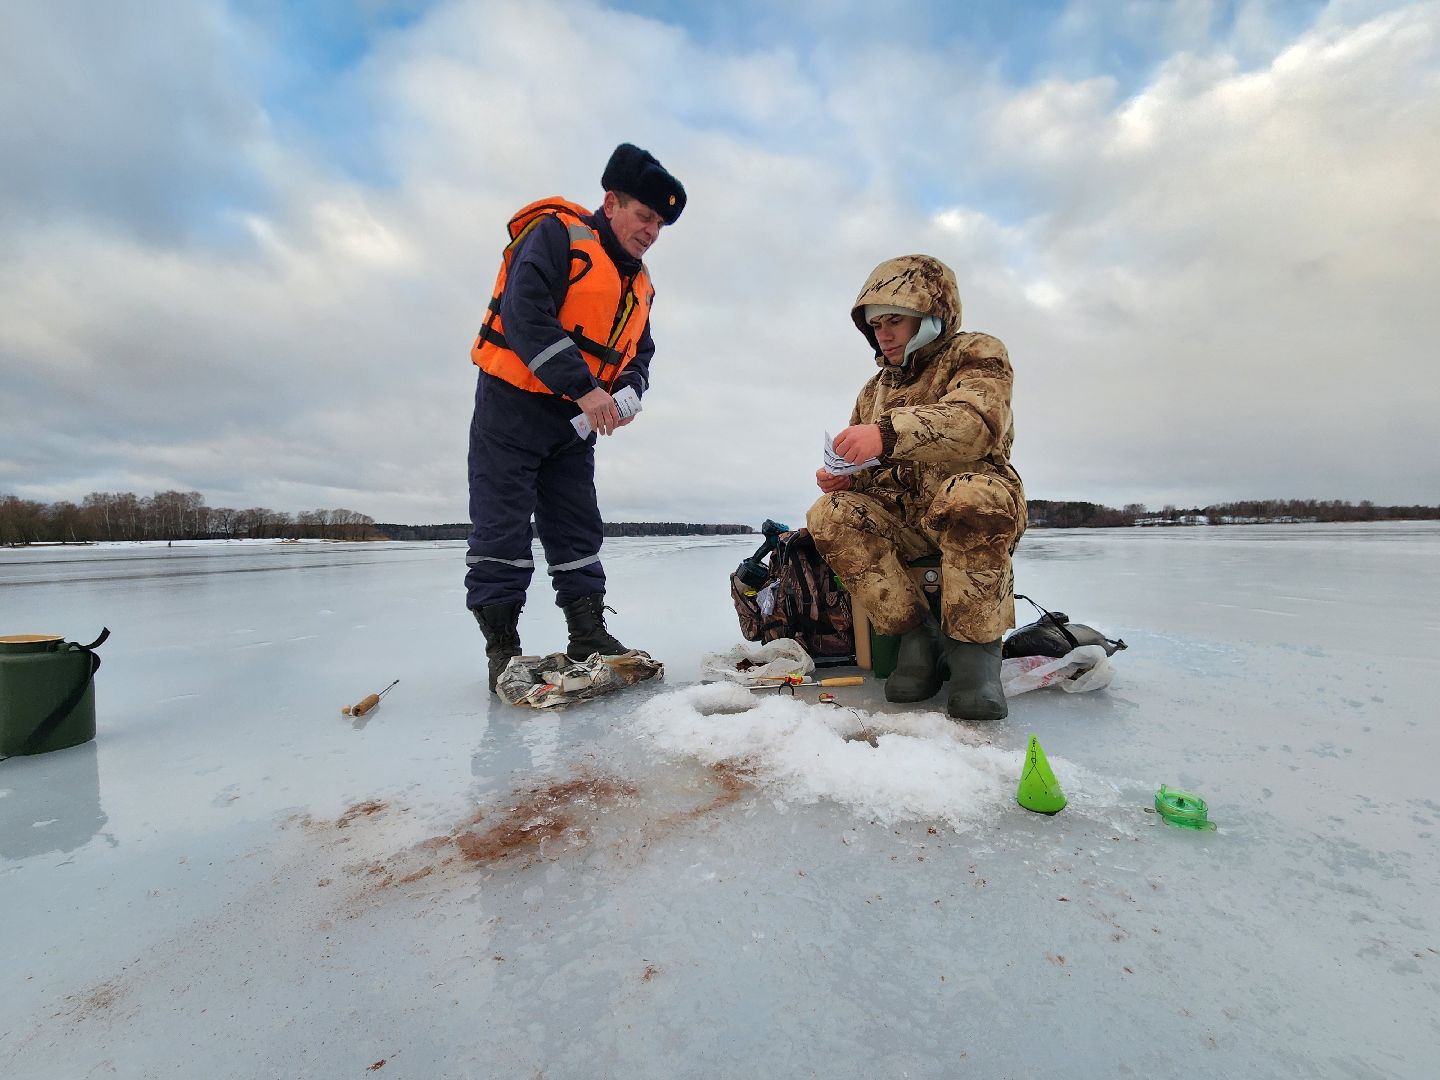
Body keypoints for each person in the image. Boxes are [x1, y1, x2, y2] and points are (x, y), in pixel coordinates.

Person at [465, 143, 686, 692]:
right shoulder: (555, 236)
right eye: (645, 216)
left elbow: (641, 352)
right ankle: (503, 649)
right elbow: (525, 314)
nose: (652, 231)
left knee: (577, 525)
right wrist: (586, 388)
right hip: (513, 409)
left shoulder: (640, 284)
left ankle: (587, 632)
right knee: (502, 528)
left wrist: (630, 390)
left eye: (659, 223)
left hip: (573, 425)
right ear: (611, 202)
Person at [806, 254, 1026, 720]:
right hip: (905, 521)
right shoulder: (873, 390)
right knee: (830, 514)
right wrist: (845, 476)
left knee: (969, 494)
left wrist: (886, 434)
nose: (882, 334)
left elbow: (976, 424)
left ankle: (975, 655)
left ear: (930, 317)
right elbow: (868, 465)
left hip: (972, 510)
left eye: (894, 321)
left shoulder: (977, 353)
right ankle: (914, 636)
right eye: (875, 325)